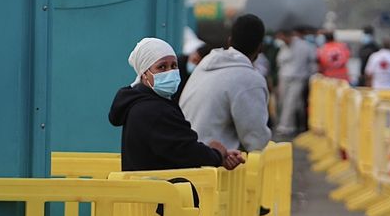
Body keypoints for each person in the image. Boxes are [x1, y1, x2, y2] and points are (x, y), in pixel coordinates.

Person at [108, 37, 245, 171]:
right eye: (161, 67)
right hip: (159, 190)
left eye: (174, 66)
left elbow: (175, 146)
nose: (170, 72)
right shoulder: (154, 110)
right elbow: (186, 151)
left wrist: (216, 154)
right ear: (144, 74)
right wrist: (217, 154)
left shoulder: (141, 103)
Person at [180, 14, 272, 152]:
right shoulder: (249, 79)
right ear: (260, 48)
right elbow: (255, 140)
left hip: (186, 153)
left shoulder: (204, 65)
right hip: (213, 162)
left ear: (229, 41)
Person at [274, 28, 317, 136]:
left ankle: (286, 126)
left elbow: (312, 62)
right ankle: (291, 125)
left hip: (298, 78)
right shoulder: (284, 47)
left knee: (291, 102)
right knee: (285, 102)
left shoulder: (304, 46)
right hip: (285, 77)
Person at [174, 39, 210, 103]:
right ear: (192, 53)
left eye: (198, 63)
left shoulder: (205, 73)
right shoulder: (177, 64)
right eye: (194, 60)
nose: (194, 64)